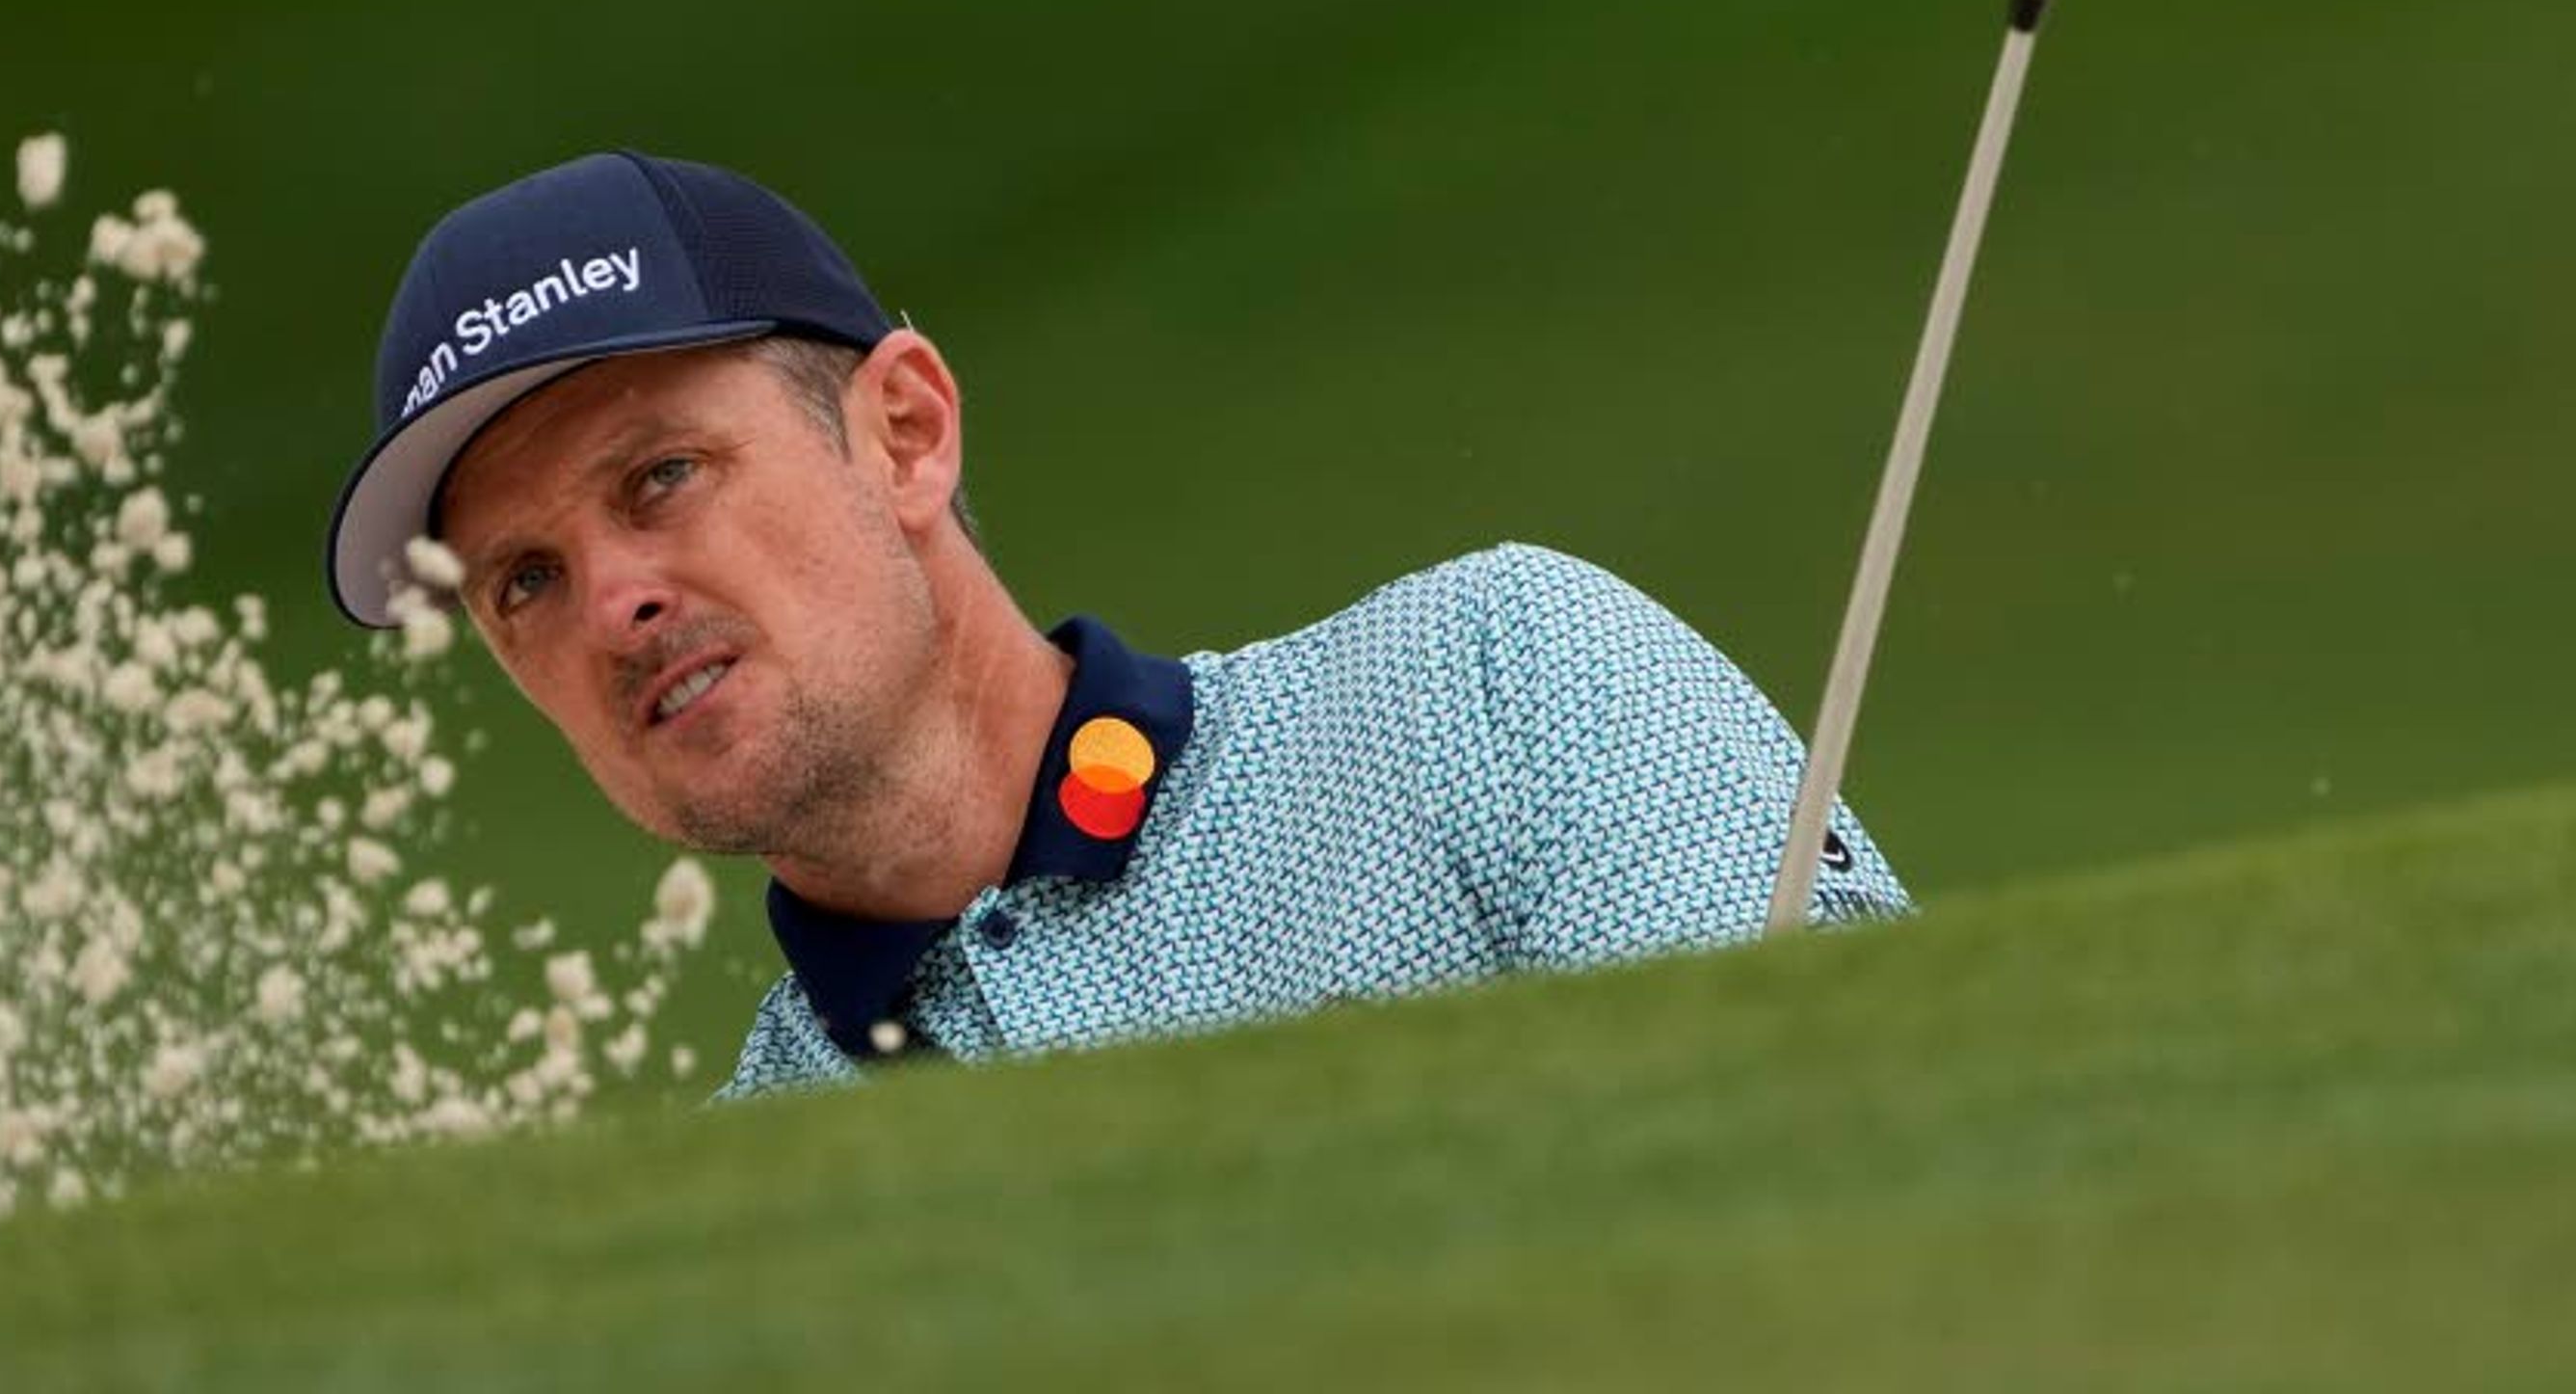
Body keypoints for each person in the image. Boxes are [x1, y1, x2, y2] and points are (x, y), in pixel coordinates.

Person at [323, 151, 1910, 1095]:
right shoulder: (761, 1172)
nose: (614, 600)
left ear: (906, 434)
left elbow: (1867, 1151)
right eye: (522, 580)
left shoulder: (1490, 685)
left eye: (663, 475)